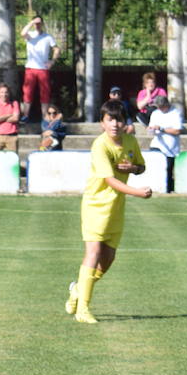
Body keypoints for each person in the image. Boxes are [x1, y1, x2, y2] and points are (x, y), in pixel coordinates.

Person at [64, 99, 152, 324]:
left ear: (125, 122)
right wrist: (137, 192)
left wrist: (133, 168)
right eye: (110, 119)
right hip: (96, 205)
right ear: (102, 123)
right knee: (92, 253)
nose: (114, 124)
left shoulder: (131, 141)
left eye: (119, 119)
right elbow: (110, 180)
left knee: (108, 259)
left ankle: (77, 292)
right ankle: (83, 309)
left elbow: (141, 166)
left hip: (116, 208)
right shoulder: (100, 145)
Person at [20, 15, 57, 124]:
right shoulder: (30, 35)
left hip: (43, 69)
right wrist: (31, 22)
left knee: (45, 93)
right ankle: (25, 115)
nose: (37, 25)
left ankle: (45, 117)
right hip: (30, 68)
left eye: (39, 23)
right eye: (36, 23)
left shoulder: (47, 37)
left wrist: (52, 61)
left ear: (42, 24)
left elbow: (56, 49)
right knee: (27, 92)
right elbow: (22, 33)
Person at [146, 94, 183, 194]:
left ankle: (169, 190)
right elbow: (151, 129)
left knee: (168, 170)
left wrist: (162, 129)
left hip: (170, 148)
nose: (159, 108)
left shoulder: (175, 113)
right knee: (154, 168)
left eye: (161, 106)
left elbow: (177, 131)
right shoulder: (155, 114)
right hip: (156, 145)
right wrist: (151, 130)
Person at [0, 83, 20, 151]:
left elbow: (15, 118)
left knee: (13, 159)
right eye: (2, 92)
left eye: (6, 92)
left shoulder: (14, 103)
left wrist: (0, 118)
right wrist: (9, 115)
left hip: (12, 136)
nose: (4, 94)